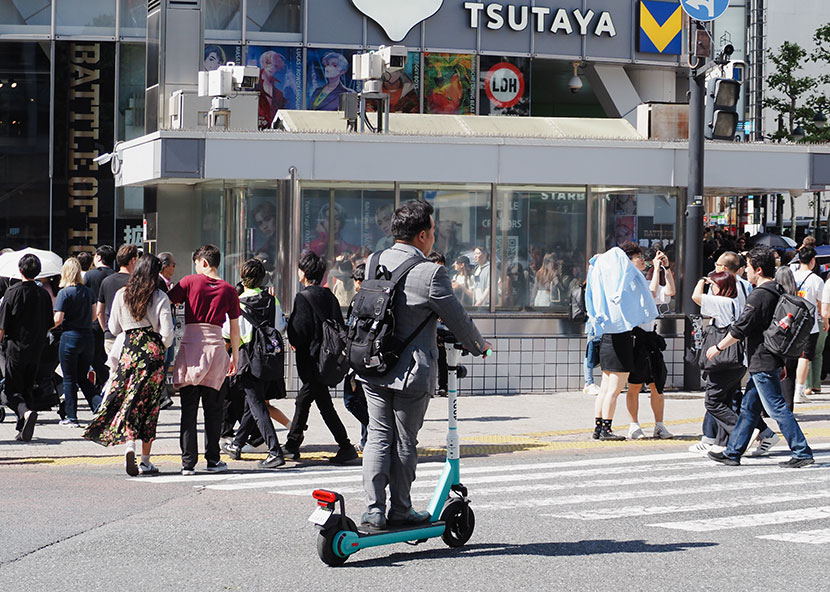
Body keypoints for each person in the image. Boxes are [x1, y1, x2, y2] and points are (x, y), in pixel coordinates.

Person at [358, 200, 491, 530]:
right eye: (432, 231)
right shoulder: (431, 273)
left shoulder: (373, 261)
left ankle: (374, 509)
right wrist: (480, 346)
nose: (434, 237)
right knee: (403, 442)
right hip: (409, 372)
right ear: (421, 236)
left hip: (371, 363)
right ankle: (401, 510)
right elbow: (458, 320)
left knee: (377, 436)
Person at [706, 247, 814, 468]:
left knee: (776, 408)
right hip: (770, 357)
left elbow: (741, 328)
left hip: (762, 359)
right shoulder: (777, 290)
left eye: (748, 267)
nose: (745, 272)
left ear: (758, 269)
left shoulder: (760, 294)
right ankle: (733, 452)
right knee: (748, 408)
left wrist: (718, 347)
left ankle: (802, 451)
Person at [83, 254, 175, 476]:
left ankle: (129, 445)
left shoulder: (121, 294)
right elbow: (168, 333)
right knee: (150, 407)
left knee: (130, 400)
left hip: (129, 351)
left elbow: (113, 327)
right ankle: (145, 460)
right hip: (151, 353)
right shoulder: (160, 295)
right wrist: (159, 346)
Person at [168, 245, 241, 475]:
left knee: (188, 410)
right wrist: (235, 356)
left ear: (204, 263)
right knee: (214, 409)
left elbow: (166, 301)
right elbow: (235, 328)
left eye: (197, 263)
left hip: (191, 347)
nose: (196, 268)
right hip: (216, 349)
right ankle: (213, 460)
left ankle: (187, 463)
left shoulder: (189, 282)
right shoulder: (230, 290)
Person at [691, 271, 778, 454]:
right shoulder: (736, 302)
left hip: (722, 361)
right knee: (727, 401)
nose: (711, 289)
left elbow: (695, 297)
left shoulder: (722, 302)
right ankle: (722, 444)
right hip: (736, 362)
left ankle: (744, 432)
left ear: (721, 287)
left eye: (713, 285)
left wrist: (701, 280)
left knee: (713, 401)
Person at [285, 250, 358, 464]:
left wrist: (293, 337)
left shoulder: (303, 297)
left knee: (312, 401)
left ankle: (343, 446)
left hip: (312, 360)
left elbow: (299, 331)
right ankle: (294, 443)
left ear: (305, 272)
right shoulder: (329, 296)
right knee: (311, 401)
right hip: (327, 359)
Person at [220, 259, 289, 469]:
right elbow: (280, 327)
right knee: (254, 402)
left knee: (257, 405)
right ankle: (237, 444)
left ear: (243, 278)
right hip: (271, 358)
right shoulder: (272, 301)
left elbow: (228, 333)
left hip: (248, 358)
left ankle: (275, 451)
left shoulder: (238, 303)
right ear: (262, 278)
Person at [586, 245, 658, 441]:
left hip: (608, 337)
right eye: (637, 257)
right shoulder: (624, 277)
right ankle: (607, 429)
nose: (641, 261)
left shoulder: (604, 277)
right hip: (621, 339)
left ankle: (599, 427)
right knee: (614, 389)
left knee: (606, 387)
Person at [0, 254, 53, 442]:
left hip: (15, 347)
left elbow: (3, 325)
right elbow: (50, 322)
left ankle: (25, 413)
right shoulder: (43, 294)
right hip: (37, 347)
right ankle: (23, 429)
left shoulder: (12, 292)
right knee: (28, 387)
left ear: (20, 270)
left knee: (10, 391)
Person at [625, 246, 674, 440]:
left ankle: (659, 425)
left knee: (657, 383)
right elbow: (651, 292)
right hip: (636, 338)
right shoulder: (630, 284)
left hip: (650, 338)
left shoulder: (645, 281)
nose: (642, 260)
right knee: (635, 385)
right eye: (637, 258)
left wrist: (666, 268)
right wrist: (655, 266)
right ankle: (633, 425)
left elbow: (669, 290)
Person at [53, 258, 102, 427]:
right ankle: (99, 405)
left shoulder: (64, 293)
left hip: (69, 337)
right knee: (82, 376)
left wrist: (47, 325)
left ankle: (72, 417)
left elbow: (58, 319)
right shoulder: (88, 292)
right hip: (87, 338)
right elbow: (94, 316)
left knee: (69, 379)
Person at [788, 246, 825, 405]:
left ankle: (788, 389)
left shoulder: (791, 276)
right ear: (812, 261)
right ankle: (798, 391)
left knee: (790, 357)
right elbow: (821, 302)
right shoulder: (816, 280)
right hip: (810, 324)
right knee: (805, 357)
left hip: (790, 321)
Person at [342, 263, 369, 450]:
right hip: (369, 356)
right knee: (364, 400)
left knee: (351, 401)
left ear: (358, 282)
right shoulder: (379, 299)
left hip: (357, 357)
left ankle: (374, 431)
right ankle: (367, 440)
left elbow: (352, 328)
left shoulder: (358, 300)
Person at [84, 245, 115, 390]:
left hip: (94, 321)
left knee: (94, 355)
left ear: (99, 257)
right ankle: (105, 382)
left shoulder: (90, 276)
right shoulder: (115, 276)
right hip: (113, 321)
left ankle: (105, 380)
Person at [97, 245, 138, 354]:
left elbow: (99, 312)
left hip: (110, 335)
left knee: (113, 369)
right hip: (131, 334)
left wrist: (106, 329)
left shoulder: (106, 281)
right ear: (133, 260)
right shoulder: (136, 283)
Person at [256, 50, 288, 129]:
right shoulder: (253, 84)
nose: (271, 68)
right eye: (268, 63)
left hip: (272, 129)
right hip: (253, 127)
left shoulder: (278, 92)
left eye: (275, 66)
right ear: (263, 63)